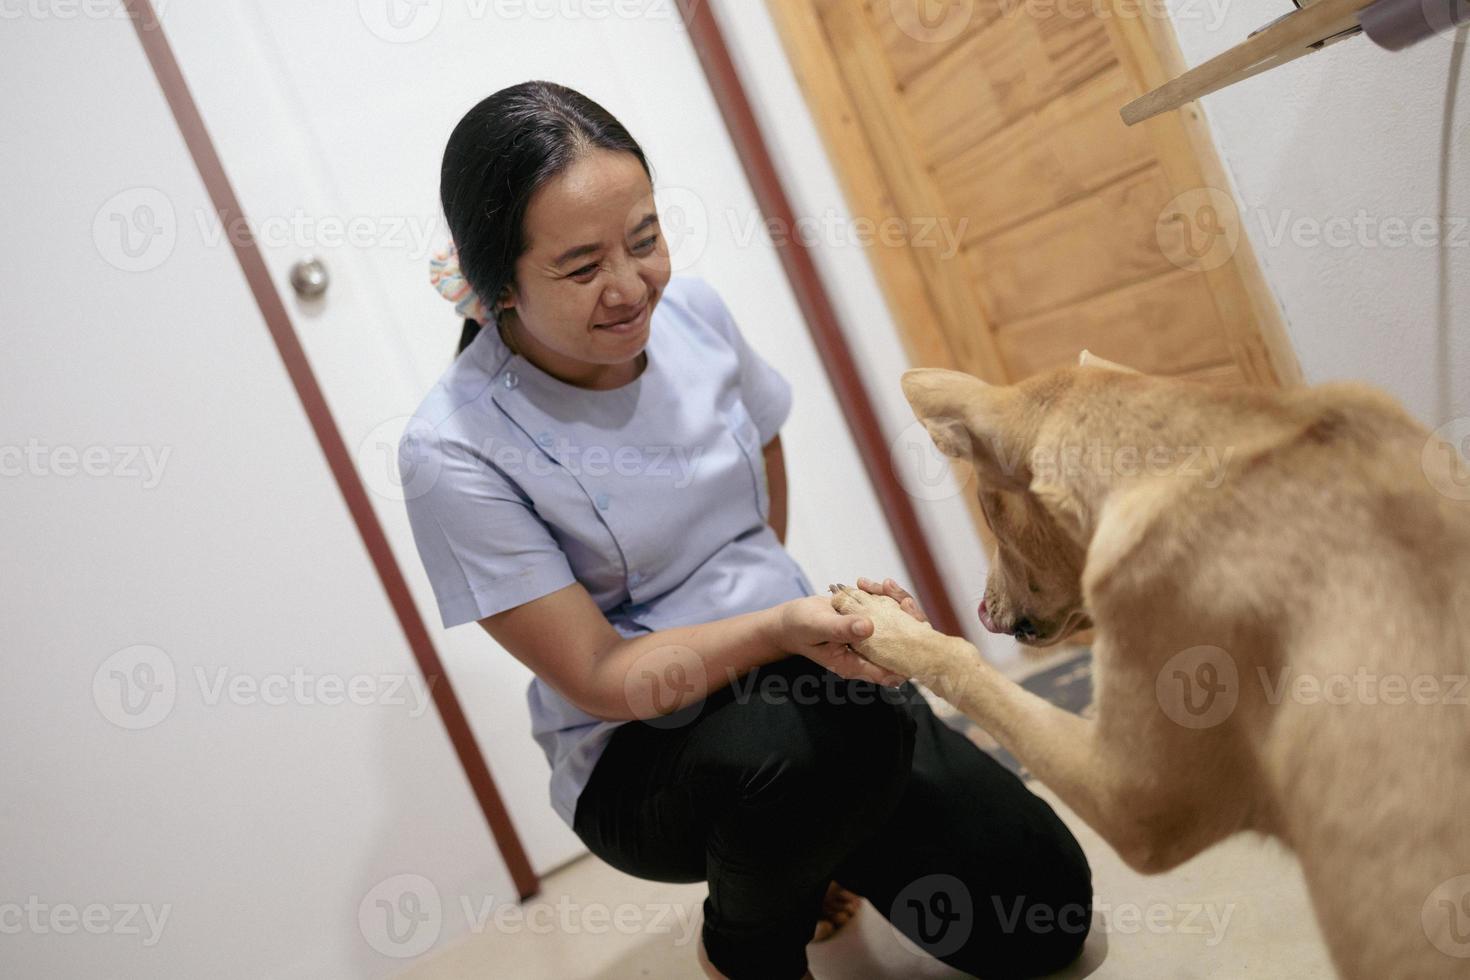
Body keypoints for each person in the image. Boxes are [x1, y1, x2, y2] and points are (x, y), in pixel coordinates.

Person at [398, 80, 1092, 980]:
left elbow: (760, 478)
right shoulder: (455, 447)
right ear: (496, 286)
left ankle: (810, 847)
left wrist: (812, 623)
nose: (629, 287)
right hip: (646, 756)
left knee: (1042, 911)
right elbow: (604, 678)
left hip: (805, 692)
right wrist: (779, 629)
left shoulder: (697, 317)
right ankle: (744, 948)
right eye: (580, 268)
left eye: (644, 240)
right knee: (812, 751)